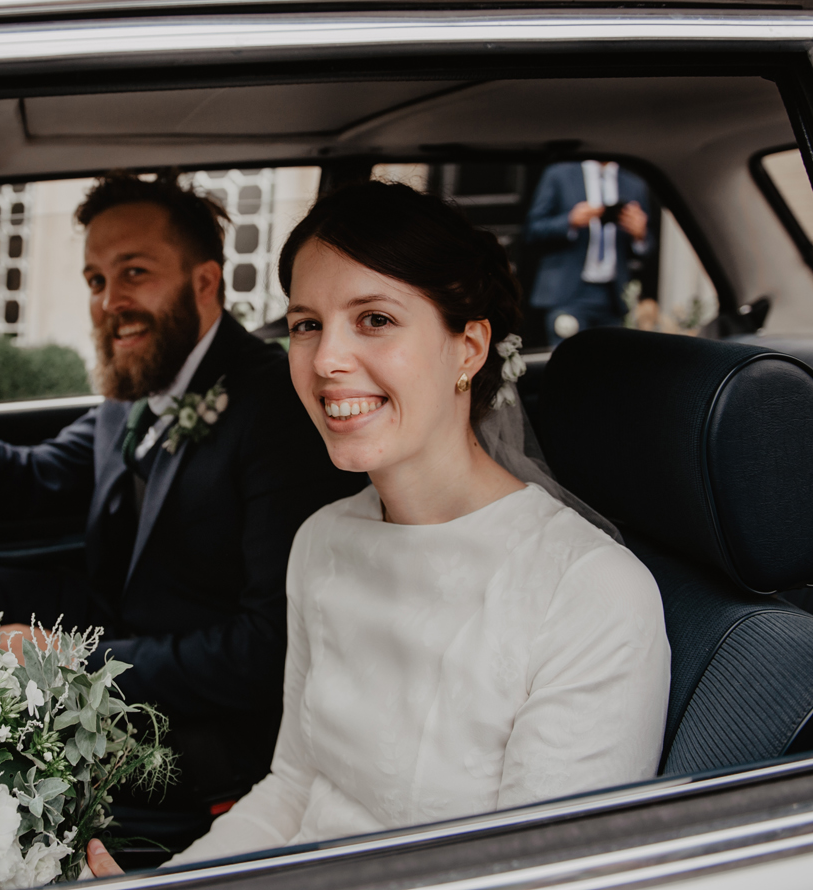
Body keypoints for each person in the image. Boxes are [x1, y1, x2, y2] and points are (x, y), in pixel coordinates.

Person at [86, 181, 669, 877]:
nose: (327, 360)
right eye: (307, 324)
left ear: (469, 347)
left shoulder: (591, 595)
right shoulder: (323, 542)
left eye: (375, 320)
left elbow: (534, 877)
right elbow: (295, 791)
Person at [0, 174, 365, 835]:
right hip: (114, 619)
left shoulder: (273, 411)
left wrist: (70, 662)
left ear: (204, 284)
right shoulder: (139, 383)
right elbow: (32, 482)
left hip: (194, 713)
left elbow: (266, 650)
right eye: (95, 281)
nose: (110, 301)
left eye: (134, 273)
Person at [525, 160, 654, 343]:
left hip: (614, 296)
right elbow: (533, 230)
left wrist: (640, 235)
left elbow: (648, 248)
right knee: (569, 361)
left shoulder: (634, 184)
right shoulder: (559, 174)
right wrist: (569, 221)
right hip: (569, 293)